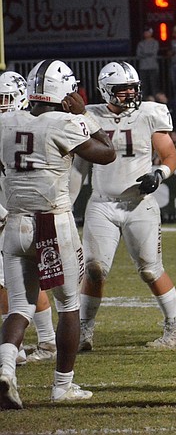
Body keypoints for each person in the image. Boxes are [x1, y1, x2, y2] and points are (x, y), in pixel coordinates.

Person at [0, 60, 116, 409]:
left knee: (19, 306)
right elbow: (107, 153)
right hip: (52, 222)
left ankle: (5, 370)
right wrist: (87, 117)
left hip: (14, 222)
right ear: (62, 89)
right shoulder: (65, 122)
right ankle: (62, 385)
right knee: (69, 305)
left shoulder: (4, 120)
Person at [73, 62, 176, 351]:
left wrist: (159, 174)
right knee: (94, 269)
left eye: (133, 88)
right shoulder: (90, 116)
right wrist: (66, 204)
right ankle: (84, 330)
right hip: (102, 204)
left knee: (150, 270)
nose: (129, 94)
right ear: (106, 91)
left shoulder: (149, 113)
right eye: (122, 90)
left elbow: (169, 154)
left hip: (140, 204)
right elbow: (79, 167)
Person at [0, 72, 58, 366]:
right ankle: (43, 341)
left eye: (4, 99)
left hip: (19, 213)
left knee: (16, 283)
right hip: (21, 211)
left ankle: (33, 344)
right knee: (26, 281)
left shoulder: (20, 126)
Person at [136, 26, 161, 96]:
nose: (146, 33)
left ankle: (155, 103)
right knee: (143, 86)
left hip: (153, 67)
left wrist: (144, 54)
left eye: (147, 32)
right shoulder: (141, 43)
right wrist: (148, 54)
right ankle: (144, 102)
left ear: (151, 33)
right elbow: (138, 55)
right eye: (145, 32)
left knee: (154, 86)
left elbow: (154, 53)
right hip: (143, 67)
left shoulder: (155, 42)